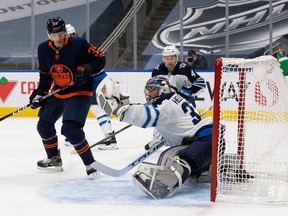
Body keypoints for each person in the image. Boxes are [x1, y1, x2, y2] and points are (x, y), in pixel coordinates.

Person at [97, 76, 213, 199]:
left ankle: (165, 183)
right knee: (170, 159)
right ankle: (211, 169)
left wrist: (121, 110)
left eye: (152, 89)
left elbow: (147, 116)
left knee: (181, 163)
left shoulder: (166, 105)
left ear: (164, 89)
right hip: (200, 141)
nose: (148, 93)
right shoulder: (173, 100)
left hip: (206, 139)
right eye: (147, 90)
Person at [29, 17, 104, 178]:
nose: (57, 38)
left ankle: (91, 164)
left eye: (60, 33)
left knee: (70, 129)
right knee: (43, 125)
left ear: (65, 32)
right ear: (48, 34)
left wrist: (86, 68)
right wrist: (40, 93)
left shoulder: (79, 44)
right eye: (53, 35)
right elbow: (45, 76)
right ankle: (54, 158)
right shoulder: (43, 49)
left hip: (79, 92)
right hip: (59, 92)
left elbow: (100, 59)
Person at [64, 23, 120, 150]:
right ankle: (74, 135)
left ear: (75, 35)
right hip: (89, 81)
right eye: (66, 37)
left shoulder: (82, 46)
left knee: (95, 107)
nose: (69, 39)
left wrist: (87, 69)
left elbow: (100, 60)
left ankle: (110, 138)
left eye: (70, 36)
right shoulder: (66, 50)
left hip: (96, 80)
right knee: (78, 106)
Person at [149, 45, 207, 150]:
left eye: (172, 58)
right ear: (163, 59)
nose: (169, 61)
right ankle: (158, 134)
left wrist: (188, 91)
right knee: (158, 111)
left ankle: (194, 136)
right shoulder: (157, 70)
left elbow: (201, 83)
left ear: (177, 58)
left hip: (185, 100)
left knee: (189, 120)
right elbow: (153, 89)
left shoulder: (185, 68)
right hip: (168, 100)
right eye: (167, 58)